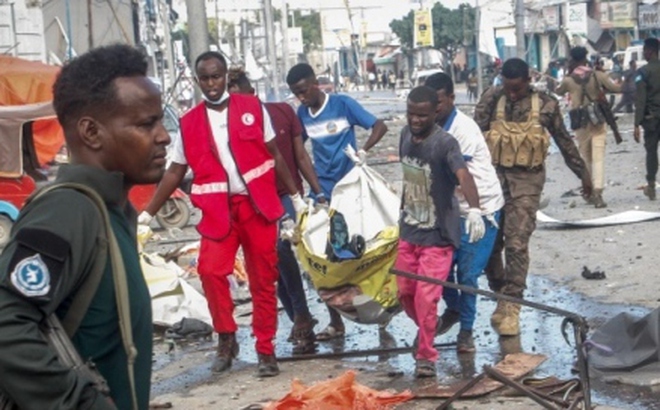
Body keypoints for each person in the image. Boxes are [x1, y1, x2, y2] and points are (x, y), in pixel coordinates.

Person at [0, 44, 166, 409]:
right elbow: (6, 324)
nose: (163, 136)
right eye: (145, 123)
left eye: (160, 120)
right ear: (91, 132)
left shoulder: (112, 211)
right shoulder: (69, 210)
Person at [141, 51, 305, 377]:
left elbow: (276, 155)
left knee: (262, 279)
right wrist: (146, 214)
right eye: (205, 78)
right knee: (211, 271)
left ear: (225, 76)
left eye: (216, 76)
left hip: (257, 206)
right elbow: (175, 171)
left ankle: (265, 350)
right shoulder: (189, 123)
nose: (212, 84)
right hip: (218, 213)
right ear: (197, 80)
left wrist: (297, 199)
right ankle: (226, 337)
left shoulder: (252, 108)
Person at [474, 58, 592, 336]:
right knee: (491, 244)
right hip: (493, 180)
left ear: (528, 80)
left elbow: (563, 140)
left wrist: (582, 173)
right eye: (507, 87)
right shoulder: (492, 98)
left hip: (527, 181)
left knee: (516, 242)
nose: (511, 93)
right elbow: (472, 136)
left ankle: (512, 305)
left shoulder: (546, 104)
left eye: (516, 88)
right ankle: (500, 291)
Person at [286, 62, 388, 341]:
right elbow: (300, 152)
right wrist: (314, 190)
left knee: (366, 252)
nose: (302, 98)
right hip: (324, 190)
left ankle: (382, 313)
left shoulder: (343, 105)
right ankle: (335, 322)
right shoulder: (302, 114)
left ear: (315, 84)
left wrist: (363, 151)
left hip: (352, 188)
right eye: (296, 94)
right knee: (321, 259)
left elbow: (380, 125)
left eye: (304, 91)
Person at [226, 67, 325, 354]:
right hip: (254, 199)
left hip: (285, 195)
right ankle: (299, 318)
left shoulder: (282, 112)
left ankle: (303, 313)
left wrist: (317, 192)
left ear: (252, 94)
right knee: (267, 262)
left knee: (282, 248)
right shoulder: (228, 128)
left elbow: (300, 155)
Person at [395, 85, 485, 377]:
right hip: (409, 231)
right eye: (411, 114)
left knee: (426, 297)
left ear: (435, 112)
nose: (415, 120)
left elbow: (463, 174)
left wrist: (474, 209)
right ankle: (426, 330)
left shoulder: (445, 143)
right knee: (406, 293)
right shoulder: (404, 136)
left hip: (438, 237)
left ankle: (426, 357)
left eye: (422, 115)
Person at [424, 73, 504, 353]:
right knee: (440, 270)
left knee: (468, 274)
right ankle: (455, 309)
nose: (434, 110)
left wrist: (476, 211)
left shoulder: (463, 130)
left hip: (479, 207)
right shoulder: (428, 127)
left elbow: (459, 175)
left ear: (450, 99)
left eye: (439, 103)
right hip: (450, 207)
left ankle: (467, 331)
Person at [555, 46, 621, 208]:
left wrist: (565, 75)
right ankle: (598, 192)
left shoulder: (569, 80)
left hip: (580, 122)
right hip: (597, 120)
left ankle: (589, 191)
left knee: (585, 158)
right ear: (585, 58)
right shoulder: (597, 75)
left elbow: (558, 91)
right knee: (598, 157)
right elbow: (615, 88)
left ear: (572, 60)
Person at [634, 38, 660, 201]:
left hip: (651, 120)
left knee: (651, 152)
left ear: (650, 51)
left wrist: (636, 124)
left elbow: (641, 99)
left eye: (644, 50)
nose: (644, 53)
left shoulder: (643, 72)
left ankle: (651, 186)